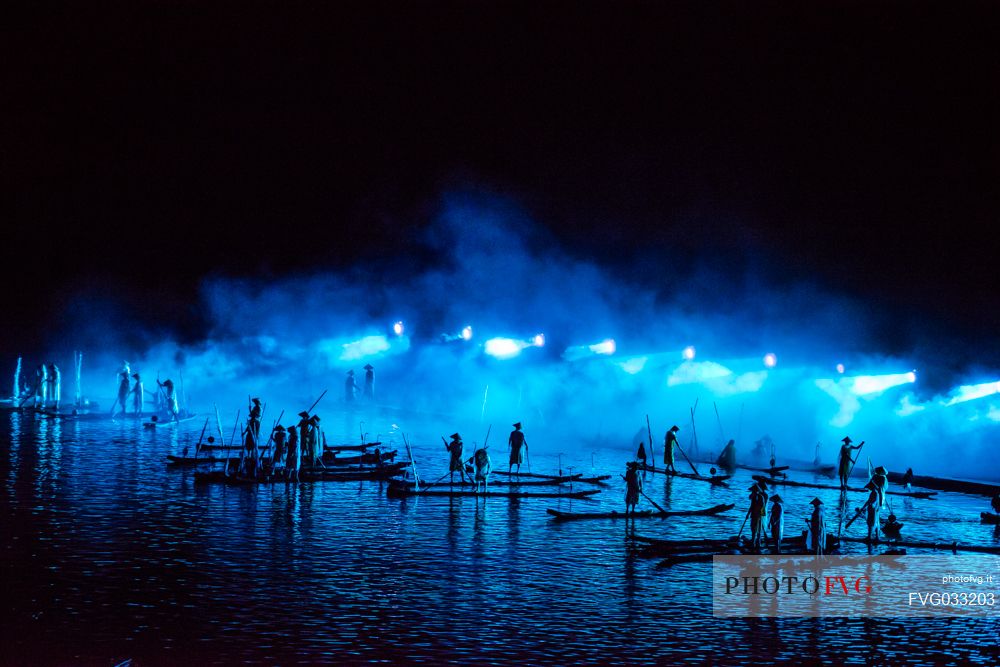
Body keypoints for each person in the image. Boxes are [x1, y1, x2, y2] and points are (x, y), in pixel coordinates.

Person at [748, 481, 768, 550]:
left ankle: (757, 544)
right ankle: (753, 543)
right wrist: (748, 514)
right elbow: (751, 506)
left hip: (759, 517)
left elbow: (763, 508)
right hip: (753, 516)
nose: (753, 492)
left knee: (758, 530)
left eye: (754, 491)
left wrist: (762, 517)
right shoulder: (753, 498)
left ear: (756, 491)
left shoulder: (761, 497)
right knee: (753, 529)